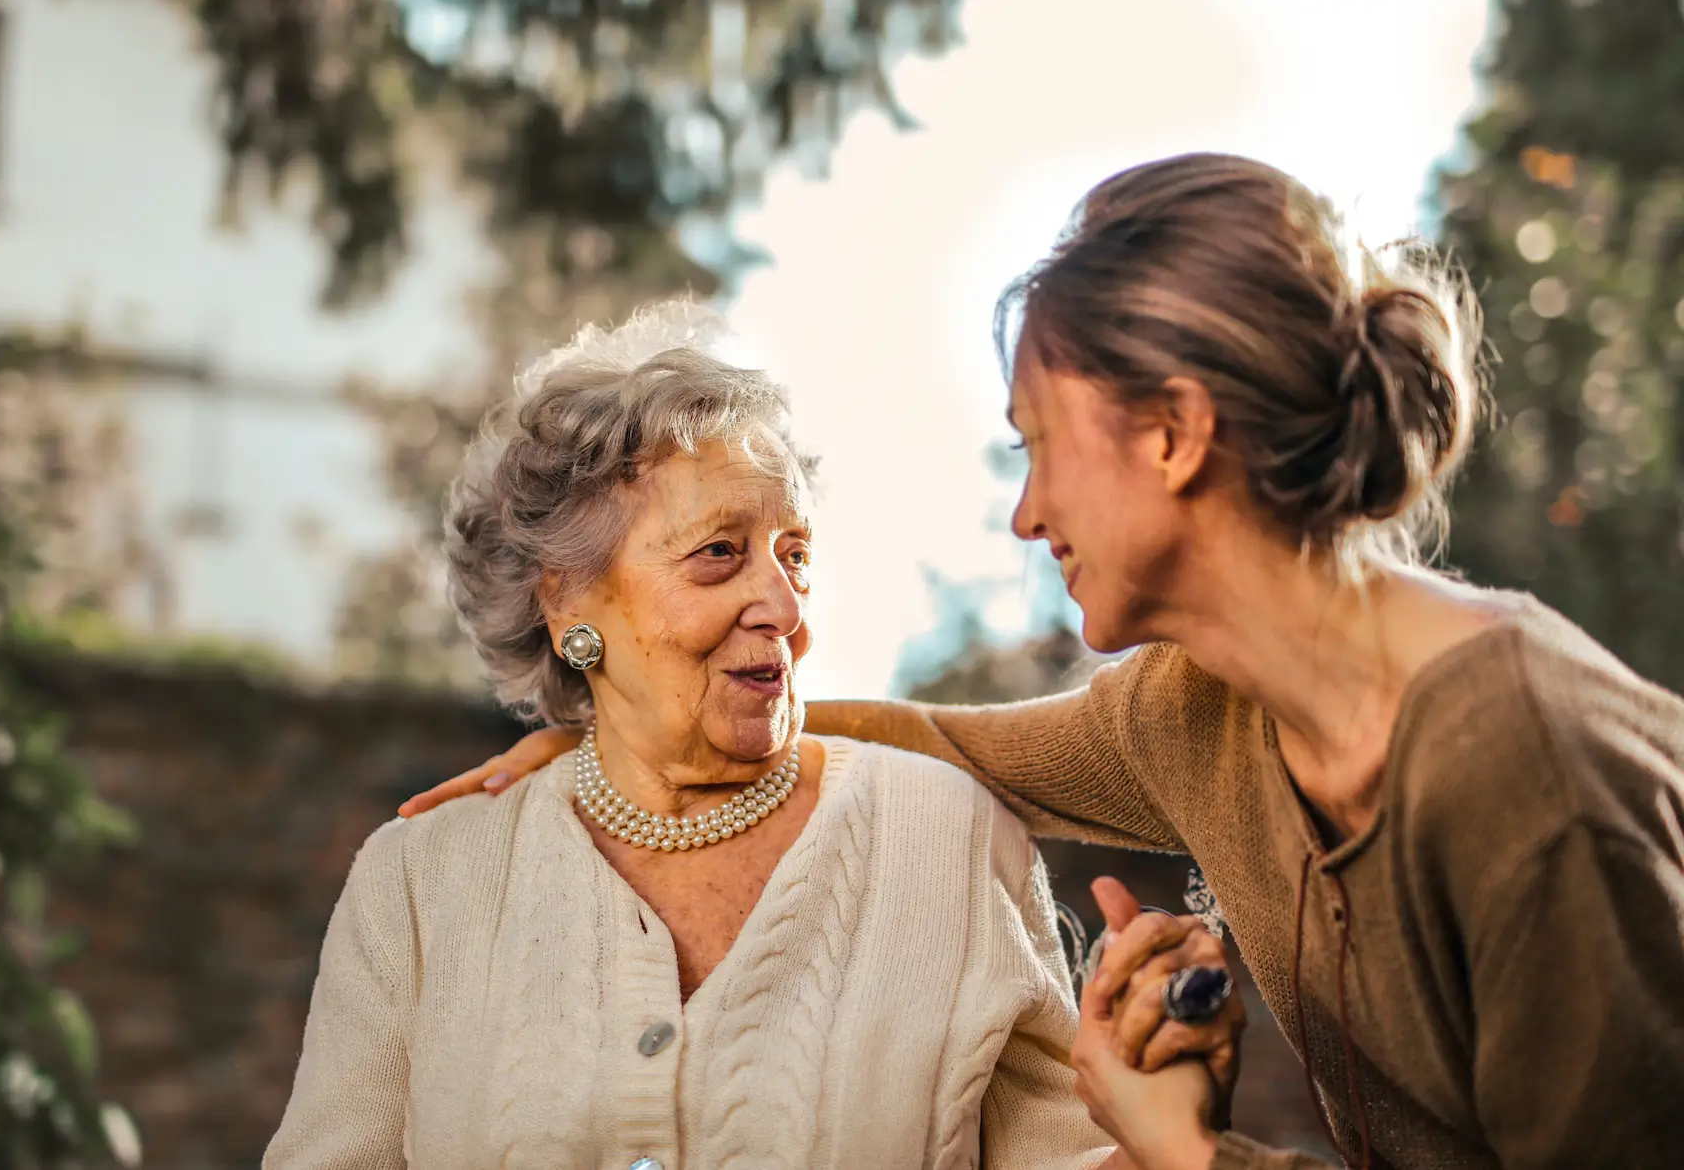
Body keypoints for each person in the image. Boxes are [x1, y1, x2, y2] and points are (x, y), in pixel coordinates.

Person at [401, 154, 1684, 1170]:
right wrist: (624, 729)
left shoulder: (1529, 774)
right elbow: (940, 743)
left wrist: (1189, 1148)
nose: (1025, 512)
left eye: (1037, 443)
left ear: (1175, 434)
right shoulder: (1199, 711)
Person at [266, 302, 1125, 1169]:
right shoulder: (418, 883)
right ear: (566, 602)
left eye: (795, 555)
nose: (787, 610)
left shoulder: (951, 839)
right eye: (720, 552)